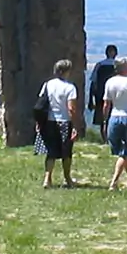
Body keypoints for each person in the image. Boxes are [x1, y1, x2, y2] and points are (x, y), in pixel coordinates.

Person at [33, 59, 80, 189]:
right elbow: (71, 108)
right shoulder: (70, 87)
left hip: (49, 121)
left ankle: (47, 179)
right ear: (66, 71)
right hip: (64, 121)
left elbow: (41, 103)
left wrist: (39, 121)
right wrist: (75, 126)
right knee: (66, 152)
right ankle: (67, 178)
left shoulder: (47, 84)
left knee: (51, 152)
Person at [101, 56, 127, 192]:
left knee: (124, 153)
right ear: (125, 68)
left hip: (114, 117)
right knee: (124, 153)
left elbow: (106, 104)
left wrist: (104, 120)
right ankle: (114, 182)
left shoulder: (109, 82)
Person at [87, 45, 118, 139]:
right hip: (115, 95)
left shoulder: (100, 65)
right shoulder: (118, 66)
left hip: (101, 95)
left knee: (102, 118)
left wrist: (90, 100)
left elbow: (93, 82)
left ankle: (105, 137)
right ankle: (112, 137)